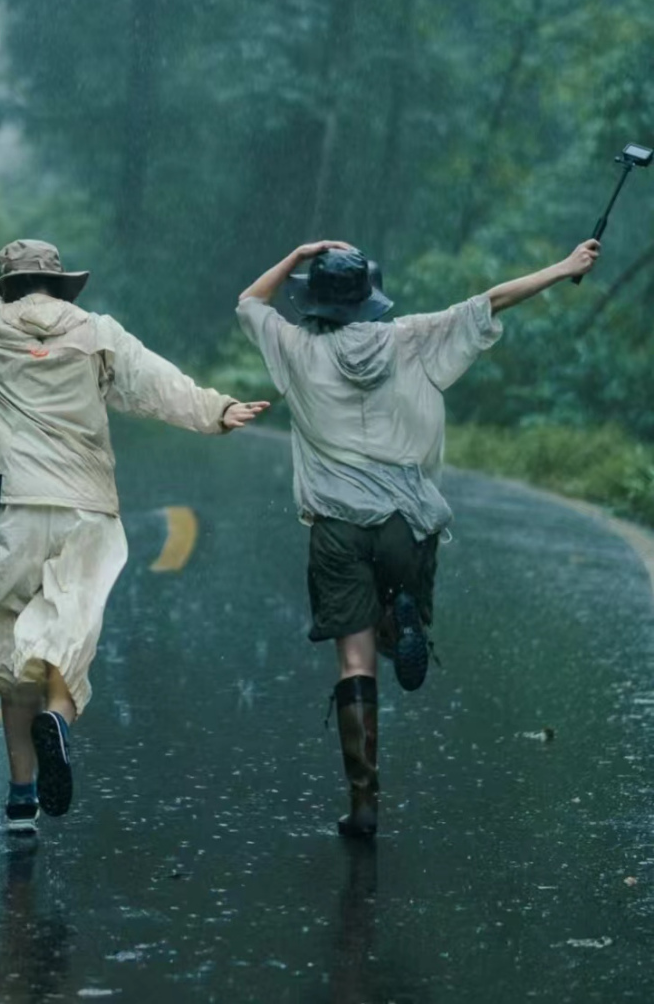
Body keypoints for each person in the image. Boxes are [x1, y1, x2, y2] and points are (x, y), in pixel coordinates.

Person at [0, 195, 269, 832]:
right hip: (85, 510)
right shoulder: (97, 331)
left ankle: (21, 797)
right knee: (64, 642)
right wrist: (217, 411)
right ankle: (59, 718)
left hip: (7, 505)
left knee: (10, 647)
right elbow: (156, 382)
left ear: (7, 282)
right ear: (60, 283)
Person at [237, 236, 601, 837]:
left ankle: (364, 801)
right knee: (394, 606)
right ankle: (403, 614)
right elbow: (491, 301)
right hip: (408, 525)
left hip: (336, 529)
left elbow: (250, 300)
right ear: (368, 298)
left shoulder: (294, 348)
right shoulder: (412, 337)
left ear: (315, 302)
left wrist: (298, 254)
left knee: (354, 661)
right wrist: (566, 267)